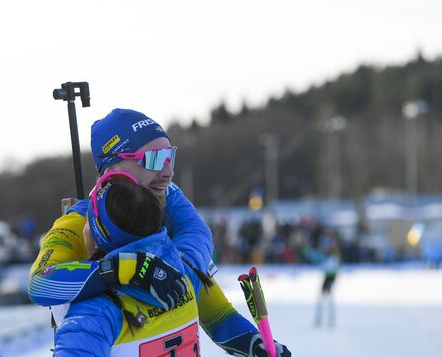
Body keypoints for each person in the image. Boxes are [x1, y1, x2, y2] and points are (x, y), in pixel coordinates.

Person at [29, 108, 291, 356]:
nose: (168, 172)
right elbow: (40, 283)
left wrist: (253, 343)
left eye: (169, 157)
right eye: (154, 160)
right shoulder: (78, 224)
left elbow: (214, 310)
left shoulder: (164, 212)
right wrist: (128, 268)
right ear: (112, 170)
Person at [54, 171, 207, 355]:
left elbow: (43, 282)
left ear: (98, 237)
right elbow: (197, 230)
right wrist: (164, 183)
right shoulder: (184, 272)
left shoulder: (95, 312)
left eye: (87, 221)